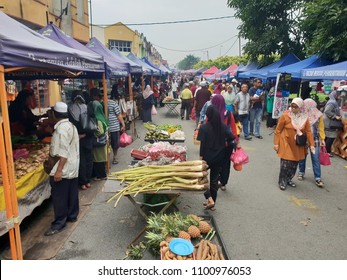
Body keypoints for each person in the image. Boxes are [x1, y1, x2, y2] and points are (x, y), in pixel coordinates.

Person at [44, 101, 80, 236]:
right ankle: (72, 215)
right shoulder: (71, 126)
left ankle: (59, 223)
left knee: (59, 196)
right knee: (71, 192)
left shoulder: (61, 129)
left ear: (54, 114)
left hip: (63, 168)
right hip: (72, 166)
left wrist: (58, 171)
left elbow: (63, 153)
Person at [197, 105, 234, 210]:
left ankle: (209, 198)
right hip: (219, 158)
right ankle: (213, 203)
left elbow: (202, 145)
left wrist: (201, 158)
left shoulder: (204, 127)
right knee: (214, 180)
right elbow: (231, 137)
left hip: (207, 158)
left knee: (200, 177)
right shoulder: (223, 126)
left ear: (208, 115)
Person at [274, 98, 314, 191]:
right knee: (285, 163)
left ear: (300, 107)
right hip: (286, 141)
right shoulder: (286, 115)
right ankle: (282, 181)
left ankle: (289, 179)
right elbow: (278, 130)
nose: (293, 108)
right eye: (292, 106)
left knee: (294, 164)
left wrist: (312, 144)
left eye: (296, 107)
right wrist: (276, 143)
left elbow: (308, 132)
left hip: (298, 143)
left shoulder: (304, 118)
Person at [210, 94, 240, 191]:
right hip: (227, 144)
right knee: (226, 163)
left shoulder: (211, 113)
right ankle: (223, 182)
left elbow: (207, 127)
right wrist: (236, 141)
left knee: (215, 162)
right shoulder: (228, 113)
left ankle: (215, 180)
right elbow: (233, 129)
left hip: (215, 143)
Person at [68, 91, 94, 190]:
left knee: (81, 161)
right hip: (88, 137)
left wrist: (79, 135)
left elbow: (70, 125)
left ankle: (82, 183)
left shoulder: (70, 109)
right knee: (89, 159)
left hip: (77, 138)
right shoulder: (87, 107)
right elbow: (93, 122)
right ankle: (88, 181)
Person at [297, 98, 325, 187]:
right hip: (304, 139)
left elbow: (321, 127)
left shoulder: (318, 115)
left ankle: (318, 178)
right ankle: (301, 172)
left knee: (315, 158)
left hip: (315, 139)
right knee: (302, 157)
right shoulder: (301, 114)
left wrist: (323, 139)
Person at [90, 88, 109, 180]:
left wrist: (93, 134)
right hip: (103, 141)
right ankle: (101, 174)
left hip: (99, 142)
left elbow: (100, 131)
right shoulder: (102, 116)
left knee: (98, 159)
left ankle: (101, 176)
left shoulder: (97, 119)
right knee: (101, 158)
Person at [323, 91, 342, 156]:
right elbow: (327, 111)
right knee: (331, 136)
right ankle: (327, 151)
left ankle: (324, 151)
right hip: (329, 121)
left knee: (327, 136)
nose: (340, 97)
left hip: (327, 121)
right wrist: (334, 116)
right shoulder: (332, 102)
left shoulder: (333, 102)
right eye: (339, 95)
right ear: (335, 95)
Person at [107, 98, 125, 165]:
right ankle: (107, 159)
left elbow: (119, 114)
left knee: (115, 144)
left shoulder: (113, 103)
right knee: (107, 144)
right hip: (105, 128)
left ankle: (115, 157)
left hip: (114, 127)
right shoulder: (100, 104)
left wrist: (123, 124)